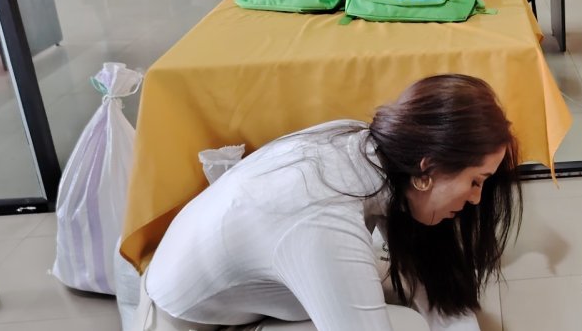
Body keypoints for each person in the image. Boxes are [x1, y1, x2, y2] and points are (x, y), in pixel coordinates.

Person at [136, 74, 522, 331]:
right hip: (185, 322)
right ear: (427, 169)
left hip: (221, 286)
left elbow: (435, 285)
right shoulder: (323, 223)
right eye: (475, 181)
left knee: (416, 286)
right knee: (409, 325)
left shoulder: (361, 145)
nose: (475, 198)